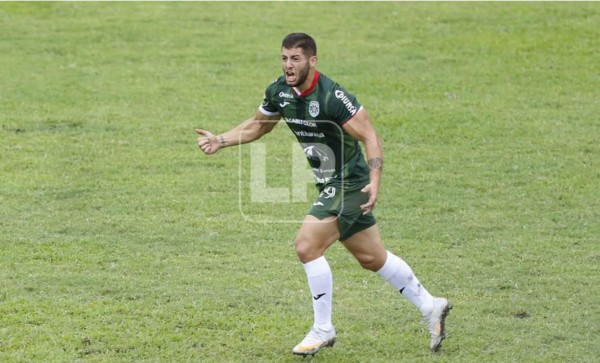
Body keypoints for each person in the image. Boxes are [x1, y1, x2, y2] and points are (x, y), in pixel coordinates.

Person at [196, 33, 451, 356]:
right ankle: (431, 305)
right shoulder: (279, 91)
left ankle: (323, 328)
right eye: (285, 58)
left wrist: (375, 179)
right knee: (372, 258)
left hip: (349, 180)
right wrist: (221, 139)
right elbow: (260, 125)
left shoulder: (332, 96)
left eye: (296, 59)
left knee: (306, 245)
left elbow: (370, 135)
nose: (289, 65)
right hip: (329, 182)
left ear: (312, 61)